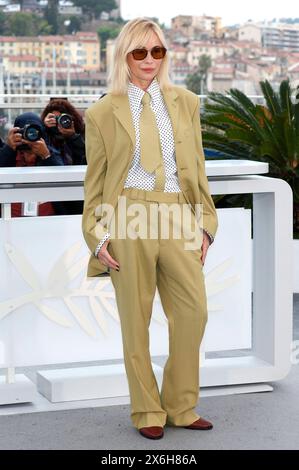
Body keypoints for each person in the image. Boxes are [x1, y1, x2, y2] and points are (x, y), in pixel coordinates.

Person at [82, 18, 218, 440]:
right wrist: (97, 234)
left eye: (157, 51)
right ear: (124, 55)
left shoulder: (186, 102)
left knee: (194, 314)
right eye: (139, 52)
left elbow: (197, 168)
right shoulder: (103, 112)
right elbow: (96, 180)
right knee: (134, 322)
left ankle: (181, 404)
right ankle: (147, 411)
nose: (149, 60)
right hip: (128, 215)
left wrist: (206, 226)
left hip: (178, 215)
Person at [0, 112, 64, 217]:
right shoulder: (9, 153)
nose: (29, 135)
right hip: (10, 219)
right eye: (24, 131)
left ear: (41, 134)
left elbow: (63, 176)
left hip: (47, 219)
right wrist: (9, 148)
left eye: (34, 132)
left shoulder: (49, 152)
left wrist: (46, 155)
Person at [41, 98, 86, 215]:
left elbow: (85, 159)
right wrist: (43, 129)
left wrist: (72, 137)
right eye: (54, 120)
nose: (58, 124)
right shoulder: (45, 139)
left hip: (78, 194)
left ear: (72, 120)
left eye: (63, 119)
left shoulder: (81, 136)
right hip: (53, 196)